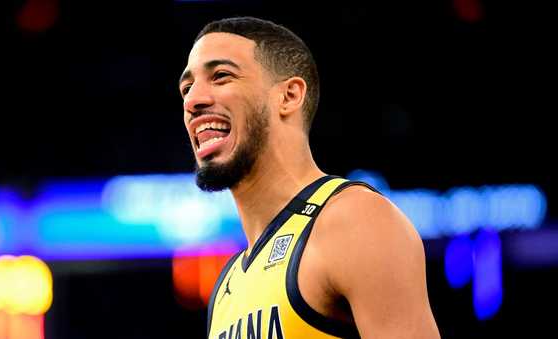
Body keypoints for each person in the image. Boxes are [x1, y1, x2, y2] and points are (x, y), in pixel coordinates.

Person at [178, 16, 440, 339]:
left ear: (288, 97)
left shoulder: (355, 221)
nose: (192, 101)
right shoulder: (226, 288)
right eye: (187, 88)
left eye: (221, 76)